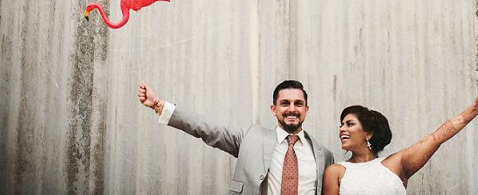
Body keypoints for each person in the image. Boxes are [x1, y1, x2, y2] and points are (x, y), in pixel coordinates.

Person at [138, 80, 334, 195]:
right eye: (285, 103)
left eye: (298, 104)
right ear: (274, 109)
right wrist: (158, 104)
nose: (292, 109)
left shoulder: (323, 154)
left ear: (306, 110)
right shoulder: (250, 138)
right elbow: (207, 129)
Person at [322, 88, 478, 194]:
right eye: (341, 125)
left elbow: (436, 137)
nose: (342, 129)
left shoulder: (396, 164)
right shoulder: (336, 172)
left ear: (368, 134)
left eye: (349, 124)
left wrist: (475, 109)